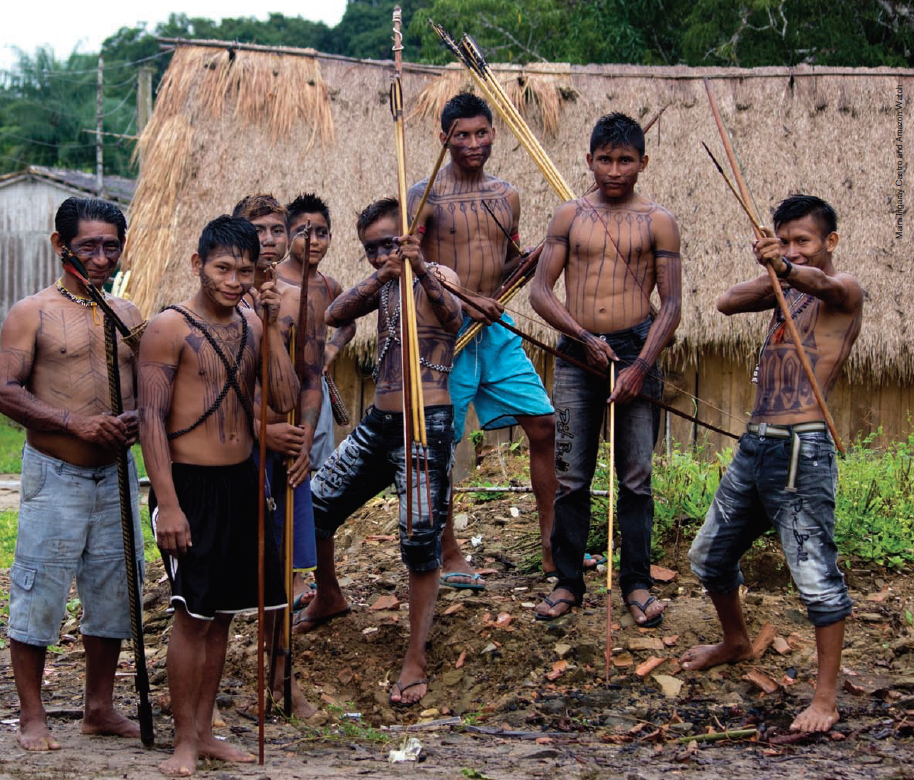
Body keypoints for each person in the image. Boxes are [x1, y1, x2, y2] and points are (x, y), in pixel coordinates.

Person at [681, 195, 863, 733]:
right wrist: (776, 272)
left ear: (830, 242)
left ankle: (824, 700)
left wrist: (786, 268)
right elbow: (725, 302)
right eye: (783, 240)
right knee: (709, 556)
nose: (792, 249)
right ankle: (736, 642)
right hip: (755, 446)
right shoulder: (783, 289)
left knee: (816, 578)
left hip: (802, 450)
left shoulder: (844, 290)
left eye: (802, 240)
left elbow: (825, 284)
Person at [138, 215, 299, 776]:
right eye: (223, 269)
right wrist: (169, 504)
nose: (234, 281)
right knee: (193, 615)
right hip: (188, 485)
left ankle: (205, 732)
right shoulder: (168, 328)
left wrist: (273, 327)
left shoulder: (254, 324)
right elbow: (150, 421)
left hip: (240, 481)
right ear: (197, 265)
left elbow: (282, 400)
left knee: (224, 613)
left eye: (244, 272)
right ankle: (184, 740)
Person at [295, 198, 462, 707]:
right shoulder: (383, 284)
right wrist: (382, 273)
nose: (380, 254)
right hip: (380, 422)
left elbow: (453, 318)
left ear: (412, 237)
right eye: (371, 249)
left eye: (390, 243)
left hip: (425, 423)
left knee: (419, 538)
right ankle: (329, 595)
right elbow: (334, 313)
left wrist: (419, 269)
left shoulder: (440, 275)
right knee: (314, 506)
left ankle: (415, 657)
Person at [0, 197, 144, 751]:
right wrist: (74, 424)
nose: (102, 258)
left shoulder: (127, 314)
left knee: (114, 589)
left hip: (116, 473)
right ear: (61, 246)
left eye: (111, 247)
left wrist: (138, 418)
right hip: (55, 472)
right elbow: (5, 390)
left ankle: (99, 708)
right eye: (89, 246)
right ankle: (32, 716)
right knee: (39, 589)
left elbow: (152, 383)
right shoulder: (31, 312)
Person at [530, 112, 682, 625]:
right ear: (589, 160)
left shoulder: (658, 220)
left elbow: (672, 306)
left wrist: (640, 366)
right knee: (571, 476)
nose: (614, 170)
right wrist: (582, 337)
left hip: (636, 348)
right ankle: (568, 583)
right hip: (578, 354)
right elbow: (540, 292)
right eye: (605, 160)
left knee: (636, 478)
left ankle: (637, 585)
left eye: (625, 160)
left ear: (643, 162)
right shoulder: (569, 216)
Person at [409, 92, 557, 587]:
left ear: (494, 133)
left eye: (481, 133)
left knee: (543, 424)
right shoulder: (424, 196)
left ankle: (554, 547)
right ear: (444, 138)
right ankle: (448, 552)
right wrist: (466, 299)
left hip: (494, 331)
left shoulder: (506, 195)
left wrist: (528, 261)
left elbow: (507, 259)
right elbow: (414, 265)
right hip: (443, 335)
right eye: (462, 135)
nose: (473, 143)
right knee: (440, 443)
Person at [231, 194, 323, 719]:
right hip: (235, 450)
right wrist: (259, 430)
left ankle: (283, 679)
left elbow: (311, 376)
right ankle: (220, 684)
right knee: (235, 566)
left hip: (287, 452)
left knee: (285, 570)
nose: (267, 240)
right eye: (256, 230)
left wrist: (304, 438)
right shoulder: (222, 297)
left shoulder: (299, 297)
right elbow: (211, 386)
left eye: (275, 230)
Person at [279, 193, 356, 476]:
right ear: (287, 237)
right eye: (303, 233)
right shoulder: (273, 278)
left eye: (321, 233)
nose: (313, 241)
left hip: (314, 388)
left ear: (331, 237)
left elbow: (348, 323)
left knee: (312, 463)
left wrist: (332, 348)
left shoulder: (329, 286)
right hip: (277, 385)